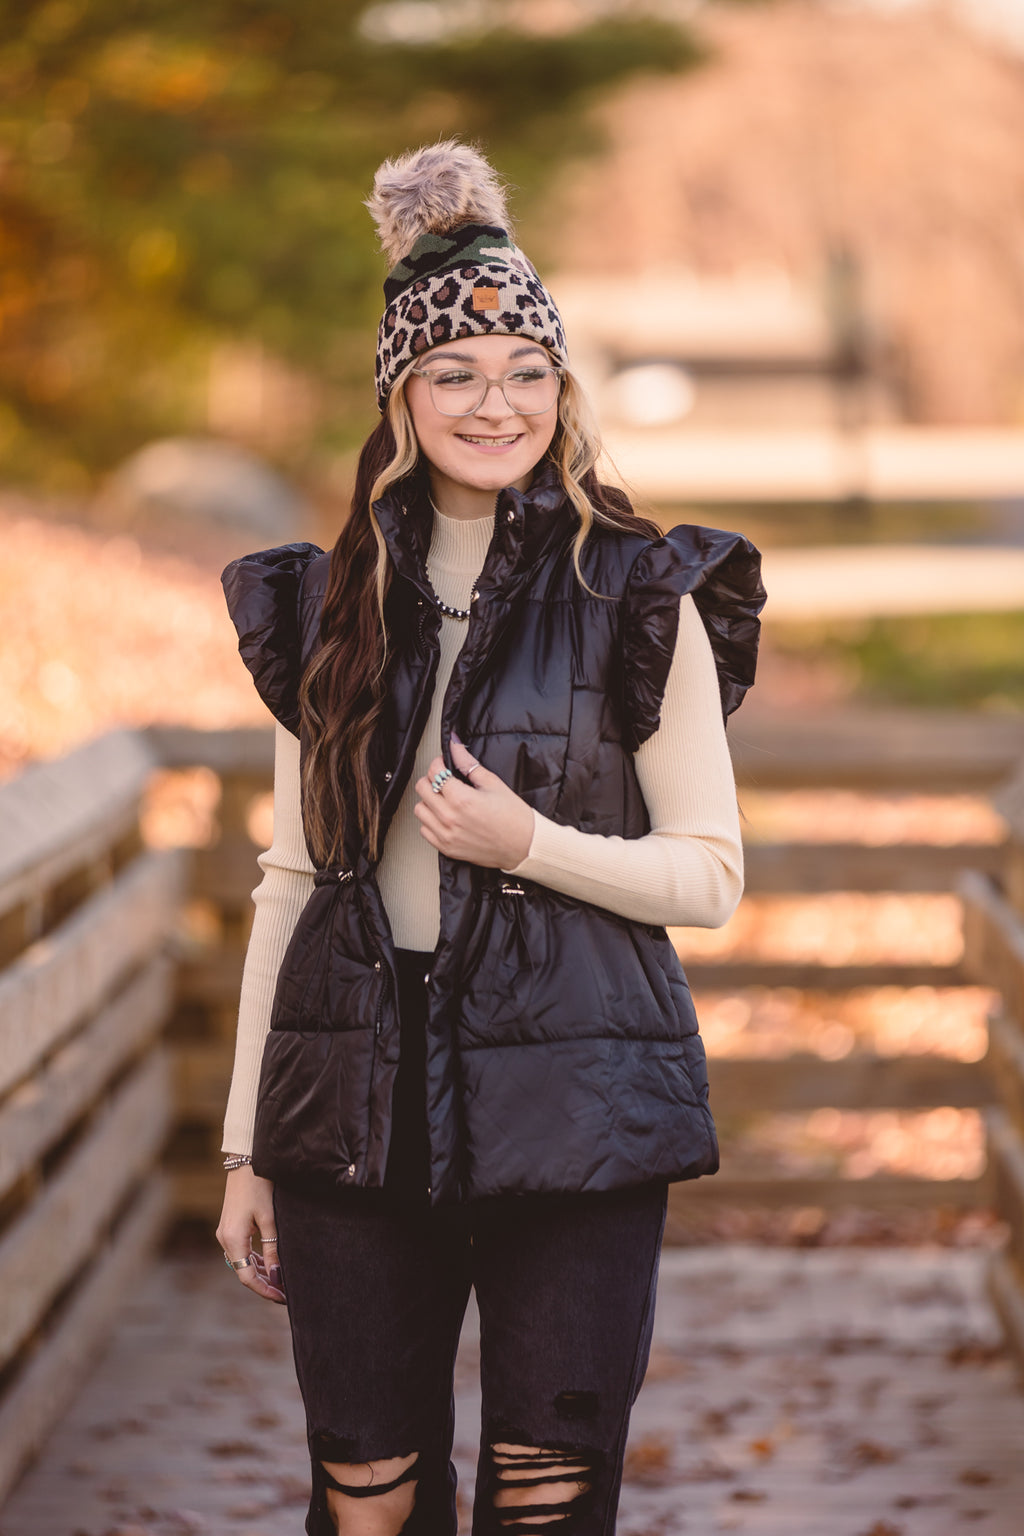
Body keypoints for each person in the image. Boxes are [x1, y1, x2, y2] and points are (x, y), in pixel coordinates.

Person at [215, 140, 764, 1536]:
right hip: (352, 1101)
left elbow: (708, 877)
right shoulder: (332, 602)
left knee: (549, 1491)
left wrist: (530, 843)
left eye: (525, 369)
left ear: (561, 391)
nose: (493, 400)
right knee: (366, 1491)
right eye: (454, 372)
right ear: (402, 394)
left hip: (578, 1088)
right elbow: (292, 881)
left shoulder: (643, 592)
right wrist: (242, 1154)